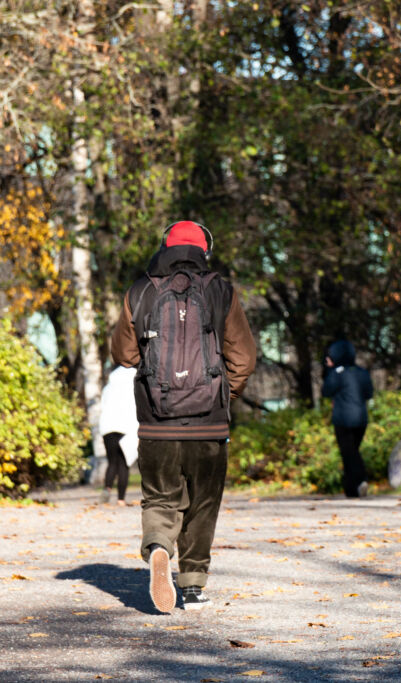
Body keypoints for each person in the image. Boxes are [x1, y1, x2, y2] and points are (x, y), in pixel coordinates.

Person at [110, 220, 256, 613]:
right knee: (203, 503)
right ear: (205, 248)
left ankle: (158, 545)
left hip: (157, 422)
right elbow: (243, 357)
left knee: (159, 497)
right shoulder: (220, 290)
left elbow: (123, 354)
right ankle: (192, 587)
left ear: (165, 247)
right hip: (209, 421)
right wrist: (224, 395)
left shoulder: (140, 290)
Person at [322, 339, 374, 498]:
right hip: (361, 419)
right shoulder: (362, 372)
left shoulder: (337, 373)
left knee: (349, 453)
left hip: (343, 419)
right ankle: (351, 490)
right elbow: (369, 393)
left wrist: (330, 370)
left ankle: (360, 481)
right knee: (352, 451)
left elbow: (326, 391)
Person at [98, 365, 139, 506]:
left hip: (107, 426)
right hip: (126, 426)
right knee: (124, 463)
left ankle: (107, 489)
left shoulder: (108, 388)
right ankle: (121, 499)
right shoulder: (134, 386)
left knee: (112, 462)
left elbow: (102, 406)